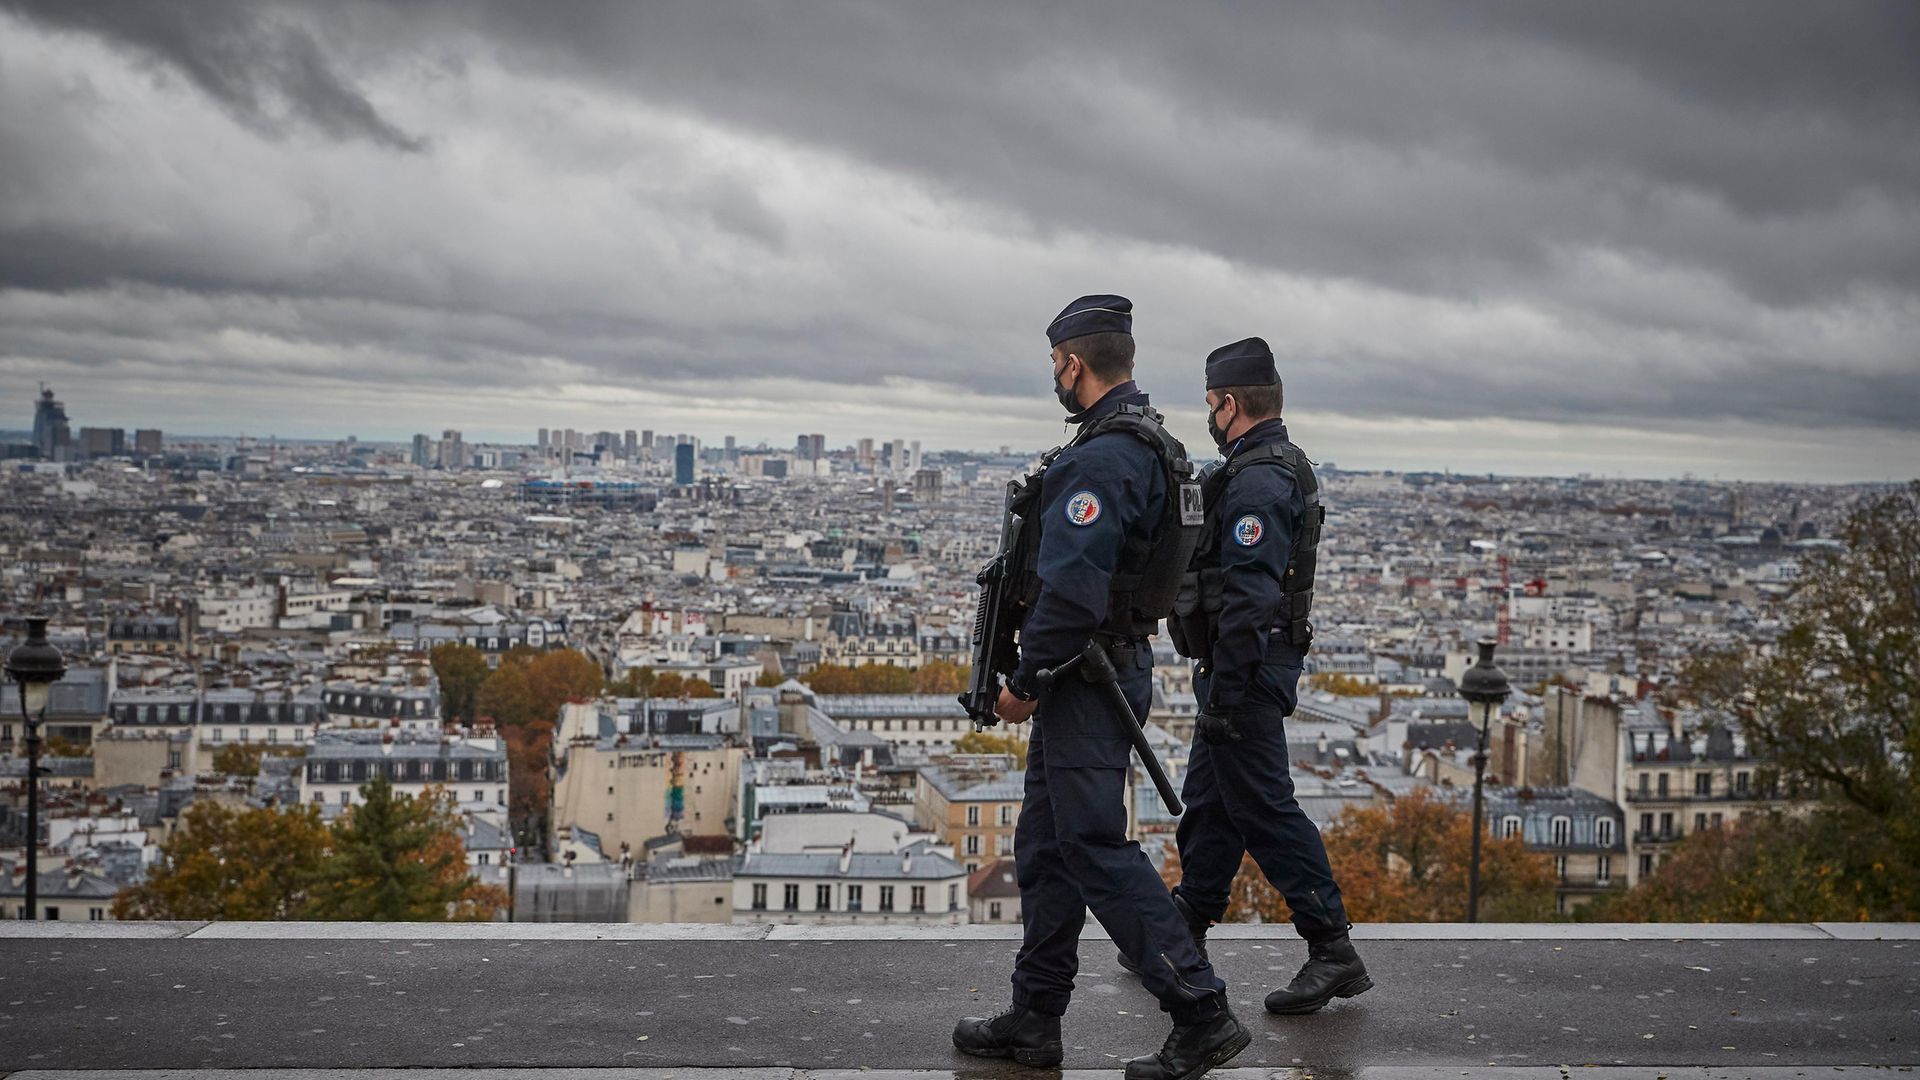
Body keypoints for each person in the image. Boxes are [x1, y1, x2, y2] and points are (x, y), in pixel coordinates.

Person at [953, 295, 1251, 1080]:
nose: (1056, 375)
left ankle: (1200, 1010)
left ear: (1074, 364)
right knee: (1046, 848)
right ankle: (1034, 1016)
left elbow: (1073, 593)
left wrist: (1022, 681)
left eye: (1057, 363)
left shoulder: (1100, 458)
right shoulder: (1154, 445)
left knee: (1091, 847)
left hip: (1085, 676)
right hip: (1103, 667)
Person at [1154, 335, 1372, 1016]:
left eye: (1212, 405)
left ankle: (1331, 947)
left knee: (1265, 811)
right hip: (1238, 665)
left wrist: (1226, 692)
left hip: (1245, 668)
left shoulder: (1258, 480)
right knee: (1213, 806)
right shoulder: (1269, 466)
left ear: (1229, 404)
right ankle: (1183, 934)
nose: (1209, 418)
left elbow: (1249, 597)